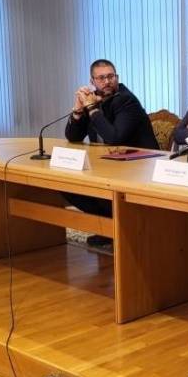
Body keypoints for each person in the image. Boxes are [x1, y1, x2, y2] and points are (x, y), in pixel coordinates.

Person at [63, 60, 158, 248]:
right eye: (101, 78)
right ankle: (109, 227)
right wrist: (78, 110)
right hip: (107, 165)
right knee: (66, 186)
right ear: (92, 82)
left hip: (138, 167)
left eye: (110, 76)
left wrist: (92, 108)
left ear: (117, 78)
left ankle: (121, 231)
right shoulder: (96, 100)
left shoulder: (126, 100)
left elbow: (115, 138)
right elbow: (73, 136)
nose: (107, 81)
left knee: (100, 188)